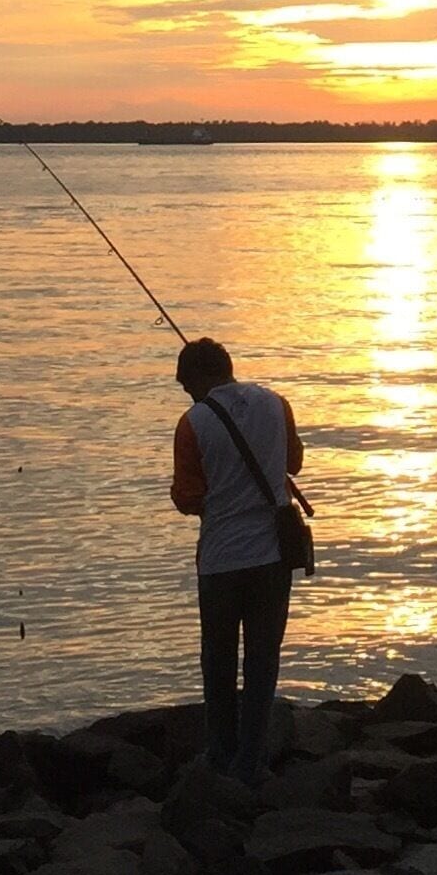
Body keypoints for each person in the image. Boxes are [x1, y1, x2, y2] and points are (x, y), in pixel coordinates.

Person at [169, 335, 303, 784]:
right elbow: (295, 463)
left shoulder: (193, 423)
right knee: (263, 659)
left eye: (187, 384)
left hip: (221, 560)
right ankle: (252, 759)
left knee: (219, 660)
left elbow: (188, 498)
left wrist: (207, 495)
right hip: (271, 558)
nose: (186, 393)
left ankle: (220, 754)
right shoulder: (275, 403)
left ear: (202, 376)